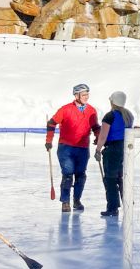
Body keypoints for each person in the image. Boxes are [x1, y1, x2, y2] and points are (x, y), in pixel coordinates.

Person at [46, 84, 100, 213]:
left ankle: (76, 200)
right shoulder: (65, 109)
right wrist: (49, 140)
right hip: (66, 148)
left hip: (83, 148)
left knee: (81, 175)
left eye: (87, 94)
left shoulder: (92, 110)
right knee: (68, 175)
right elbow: (51, 123)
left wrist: (98, 138)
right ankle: (65, 202)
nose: (86, 97)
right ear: (76, 96)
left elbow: (95, 127)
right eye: (84, 94)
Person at [95, 91, 134, 217]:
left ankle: (112, 207)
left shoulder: (110, 116)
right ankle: (127, 203)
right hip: (126, 149)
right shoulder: (128, 115)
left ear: (113, 101)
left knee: (110, 179)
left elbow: (103, 136)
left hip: (112, 150)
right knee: (121, 178)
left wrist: (98, 149)